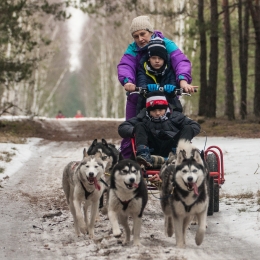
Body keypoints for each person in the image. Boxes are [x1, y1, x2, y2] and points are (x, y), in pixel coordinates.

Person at [117, 15, 198, 158]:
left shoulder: (167, 44)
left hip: (167, 95)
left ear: (150, 32)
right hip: (140, 95)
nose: (140, 39)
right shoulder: (133, 49)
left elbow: (181, 62)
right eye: (136, 36)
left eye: (143, 34)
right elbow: (126, 65)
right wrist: (128, 81)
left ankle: (176, 153)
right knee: (132, 131)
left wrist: (183, 81)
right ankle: (129, 163)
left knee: (174, 124)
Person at [118, 91, 200, 167]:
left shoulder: (176, 116)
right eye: (153, 110)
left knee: (188, 127)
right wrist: (136, 131)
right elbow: (122, 127)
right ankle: (143, 155)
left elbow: (195, 125)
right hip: (151, 148)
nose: (157, 113)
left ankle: (181, 155)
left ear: (166, 108)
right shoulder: (142, 117)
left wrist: (183, 133)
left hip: (173, 146)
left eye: (160, 110)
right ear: (148, 110)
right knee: (139, 125)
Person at [136, 36, 182, 114]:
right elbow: (141, 83)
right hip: (148, 107)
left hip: (168, 105)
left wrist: (172, 89)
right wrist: (146, 89)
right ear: (149, 58)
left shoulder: (170, 69)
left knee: (179, 119)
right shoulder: (143, 69)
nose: (157, 61)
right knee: (138, 121)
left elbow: (174, 84)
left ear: (164, 59)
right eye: (154, 58)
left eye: (160, 58)